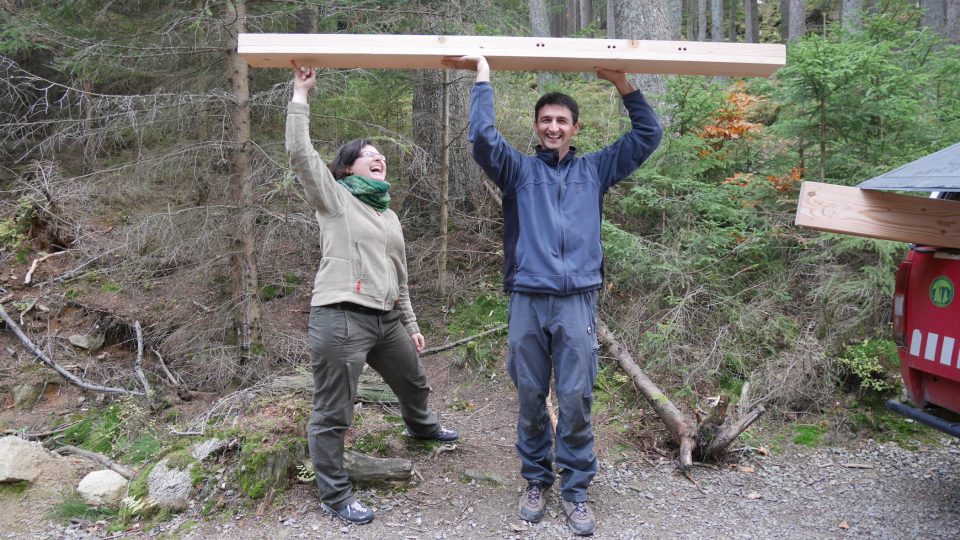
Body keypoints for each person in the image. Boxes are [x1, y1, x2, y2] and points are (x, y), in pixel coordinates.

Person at [443, 55, 662, 536]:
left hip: (576, 300)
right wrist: (482, 77)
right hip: (526, 297)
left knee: (576, 395)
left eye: (562, 120)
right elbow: (482, 138)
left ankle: (576, 488)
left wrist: (623, 83)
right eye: (546, 120)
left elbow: (648, 136)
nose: (554, 127)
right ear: (537, 127)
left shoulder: (596, 170)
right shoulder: (518, 172)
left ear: (574, 127)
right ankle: (537, 480)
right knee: (529, 394)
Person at [286, 66, 459, 526]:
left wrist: (413, 324)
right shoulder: (335, 198)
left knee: (414, 381)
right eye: (367, 155)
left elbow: (399, 276)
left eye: (380, 154)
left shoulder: (389, 216)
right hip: (341, 317)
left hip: (386, 319)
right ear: (347, 168)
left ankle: (421, 428)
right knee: (334, 411)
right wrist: (300, 95)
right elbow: (301, 155)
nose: (377, 157)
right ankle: (335, 495)